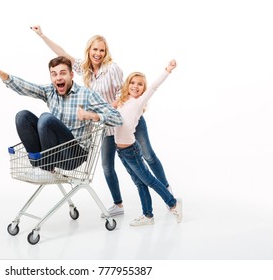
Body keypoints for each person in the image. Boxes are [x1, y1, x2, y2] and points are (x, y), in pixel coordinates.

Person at [31, 25, 173, 216]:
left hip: (127, 121)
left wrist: (103, 112)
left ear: (106, 53)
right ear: (89, 50)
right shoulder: (85, 69)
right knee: (107, 166)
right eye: (95, 49)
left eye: (101, 50)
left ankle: (166, 190)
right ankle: (118, 205)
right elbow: (62, 53)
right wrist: (42, 35)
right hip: (105, 126)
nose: (98, 53)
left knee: (147, 156)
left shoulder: (112, 69)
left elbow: (121, 93)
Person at [0, 56, 123, 175]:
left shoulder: (86, 95)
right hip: (53, 153)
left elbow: (117, 118)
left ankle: (45, 168)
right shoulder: (50, 91)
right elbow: (26, 87)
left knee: (46, 119)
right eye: (54, 74)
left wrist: (92, 115)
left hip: (73, 156)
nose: (58, 77)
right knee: (22, 116)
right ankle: (41, 165)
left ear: (71, 75)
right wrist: (0, 73)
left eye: (63, 73)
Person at [111, 59, 182, 225]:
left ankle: (173, 203)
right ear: (127, 85)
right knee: (139, 183)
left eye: (140, 84)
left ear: (144, 89)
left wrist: (167, 70)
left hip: (131, 150)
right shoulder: (123, 102)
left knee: (148, 180)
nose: (136, 86)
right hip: (120, 151)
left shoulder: (139, 101)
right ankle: (148, 215)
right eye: (133, 83)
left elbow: (154, 86)